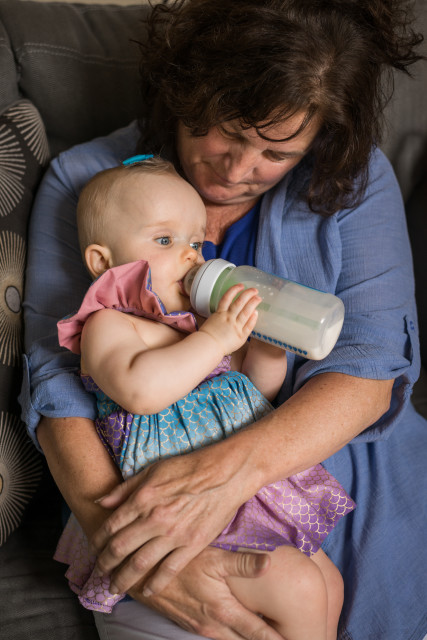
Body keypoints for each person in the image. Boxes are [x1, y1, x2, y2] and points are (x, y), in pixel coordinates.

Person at [20, 1, 427, 639]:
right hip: (150, 479)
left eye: (277, 152)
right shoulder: (90, 186)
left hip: (337, 464)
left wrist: (232, 466)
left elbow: (370, 365)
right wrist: (128, 545)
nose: (238, 171)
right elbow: (57, 384)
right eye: (226, 131)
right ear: (185, 92)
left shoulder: (350, 178)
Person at [54, 157, 355, 640]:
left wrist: (265, 344)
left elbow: (252, 393)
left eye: (196, 243)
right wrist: (215, 340)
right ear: (103, 262)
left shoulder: (195, 329)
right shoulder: (109, 325)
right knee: (298, 587)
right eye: (165, 241)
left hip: (235, 497)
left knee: (330, 584)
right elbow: (142, 392)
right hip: (172, 509)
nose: (191, 257)